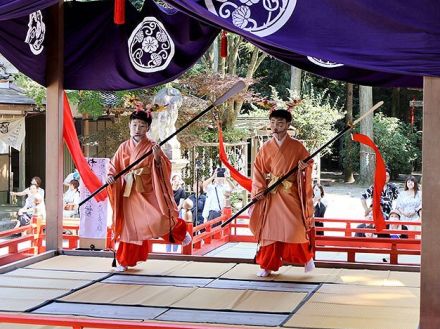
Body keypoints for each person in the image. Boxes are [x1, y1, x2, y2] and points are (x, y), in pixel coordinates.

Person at [106, 108, 191, 272]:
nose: (137, 129)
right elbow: (113, 167)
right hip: (129, 193)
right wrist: (111, 177)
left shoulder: (152, 146)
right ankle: (124, 260)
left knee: (158, 218)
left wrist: (158, 158)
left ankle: (180, 232)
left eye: (142, 126)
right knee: (129, 228)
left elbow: (165, 167)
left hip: (148, 190)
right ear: (129, 126)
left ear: (147, 128)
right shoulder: (123, 147)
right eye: (135, 125)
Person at [249, 109, 315, 277]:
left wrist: (303, 168)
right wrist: (259, 189)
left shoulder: (297, 146)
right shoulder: (266, 147)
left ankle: (307, 259)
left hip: (290, 192)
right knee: (269, 233)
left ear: (287, 125)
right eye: (272, 123)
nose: (275, 127)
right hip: (272, 194)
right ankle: (266, 264)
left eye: (279, 123)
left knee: (296, 228)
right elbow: (257, 169)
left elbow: (308, 164)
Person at [166, 173, 187, 252]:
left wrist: (175, 211)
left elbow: (181, 203)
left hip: (178, 212)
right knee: (168, 231)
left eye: (178, 180)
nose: (176, 182)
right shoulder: (168, 189)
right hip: (169, 211)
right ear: (172, 181)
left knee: (176, 231)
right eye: (175, 180)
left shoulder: (181, 191)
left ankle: (175, 249)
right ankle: (168, 250)